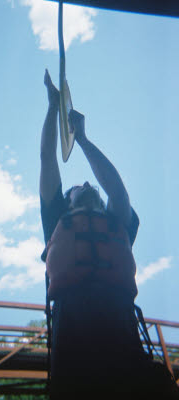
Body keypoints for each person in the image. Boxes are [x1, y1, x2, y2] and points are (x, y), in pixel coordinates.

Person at [40, 69, 179, 398]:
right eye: (77, 187)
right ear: (65, 201)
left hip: (122, 335)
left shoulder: (118, 218)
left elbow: (116, 189)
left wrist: (83, 140)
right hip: (71, 344)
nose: (86, 184)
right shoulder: (56, 220)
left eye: (89, 185)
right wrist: (51, 108)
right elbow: (47, 158)